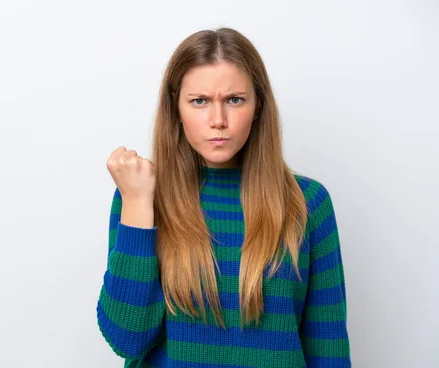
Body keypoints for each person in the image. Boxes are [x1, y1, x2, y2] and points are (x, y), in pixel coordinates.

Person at [96, 27, 351, 368]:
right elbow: (127, 337)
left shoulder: (307, 203)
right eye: (199, 101)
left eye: (234, 99)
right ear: (177, 109)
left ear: (257, 105)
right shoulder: (140, 195)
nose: (218, 120)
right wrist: (140, 202)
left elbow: (328, 348)